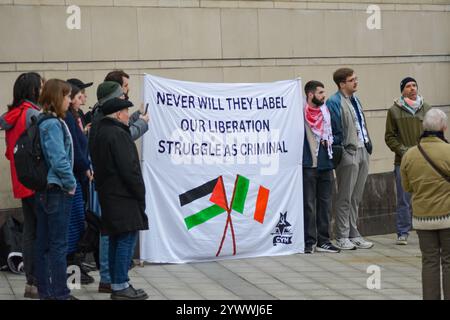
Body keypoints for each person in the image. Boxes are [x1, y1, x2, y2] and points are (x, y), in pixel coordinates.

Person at [90, 93, 149, 300]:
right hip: (123, 195)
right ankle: (121, 285)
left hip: (110, 194)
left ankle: (118, 284)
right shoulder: (117, 134)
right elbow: (129, 168)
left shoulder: (100, 131)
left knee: (116, 238)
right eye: (125, 112)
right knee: (125, 238)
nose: (127, 116)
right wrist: (139, 192)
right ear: (117, 114)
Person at [0, 72, 43, 299]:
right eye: (42, 85)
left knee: (29, 230)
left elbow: (10, 153)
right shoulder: (33, 114)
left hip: (22, 180)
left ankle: (31, 283)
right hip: (38, 181)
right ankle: (40, 281)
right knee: (42, 231)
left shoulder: (13, 115)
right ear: (34, 90)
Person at [400, 108, 450, 300]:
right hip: (447, 217)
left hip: (422, 218)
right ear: (444, 127)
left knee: (429, 261)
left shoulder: (410, 155)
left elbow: (407, 187)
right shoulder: (448, 151)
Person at [35, 79, 77, 300]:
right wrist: (71, 184)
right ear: (57, 97)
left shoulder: (46, 121)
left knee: (44, 244)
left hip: (47, 191)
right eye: (68, 96)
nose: (70, 101)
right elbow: (59, 160)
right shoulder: (51, 124)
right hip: (56, 191)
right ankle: (59, 293)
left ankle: (47, 292)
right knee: (57, 245)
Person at [326, 68, 374, 250]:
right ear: (342, 84)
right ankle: (341, 235)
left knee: (356, 196)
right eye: (352, 80)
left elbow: (361, 123)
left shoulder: (356, 100)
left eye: (356, 78)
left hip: (362, 150)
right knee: (345, 196)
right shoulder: (334, 102)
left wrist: (368, 144)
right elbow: (335, 129)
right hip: (348, 152)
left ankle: (353, 233)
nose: (356, 82)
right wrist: (342, 150)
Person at [385, 77, 431, 245]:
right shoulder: (394, 111)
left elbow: (433, 133)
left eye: (414, 85)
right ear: (402, 90)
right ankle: (403, 232)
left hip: (426, 159)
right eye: (408, 86)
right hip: (403, 161)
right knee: (404, 199)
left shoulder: (427, 108)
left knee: (426, 196)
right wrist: (405, 151)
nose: (412, 88)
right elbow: (389, 137)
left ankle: (426, 230)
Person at [302, 81, 340, 254]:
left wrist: (332, 144)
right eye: (320, 93)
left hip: (325, 164)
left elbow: (337, 134)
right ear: (310, 95)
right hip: (308, 165)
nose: (324, 96)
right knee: (308, 205)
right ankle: (309, 241)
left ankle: (324, 240)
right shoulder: (299, 114)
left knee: (325, 204)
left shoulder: (326, 112)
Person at [63, 83, 94, 285]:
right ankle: (71, 276)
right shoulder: (67, 118)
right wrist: (85, 168)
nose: (83, 98)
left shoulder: (76, 116)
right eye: (79, 95)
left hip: (78, 178)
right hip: (73, 180)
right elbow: (75, 149)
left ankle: (74, 271)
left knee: (77, 224)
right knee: (73, 227)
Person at [104, 70, 149, 140]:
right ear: (116, 88)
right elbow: (124, 136)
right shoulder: (109, 109)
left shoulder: (111, 107)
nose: (128, 89)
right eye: (125, 86)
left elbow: (124, 125)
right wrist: (142, 122)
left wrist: (138, 113)